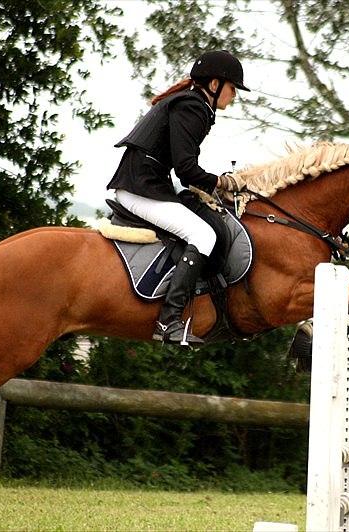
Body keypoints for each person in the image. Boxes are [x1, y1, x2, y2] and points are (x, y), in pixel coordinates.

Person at [108, 50, 250, 346]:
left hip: (147, 185)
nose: (234, 95)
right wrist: (222, 181)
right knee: (204, 234)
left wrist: (211, 183)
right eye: (232, 87)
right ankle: (168, 320)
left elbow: (183, 169)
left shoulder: (193, 103)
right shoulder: (193, 107)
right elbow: (186, 169)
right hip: (140, 189)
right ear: (214, 85)